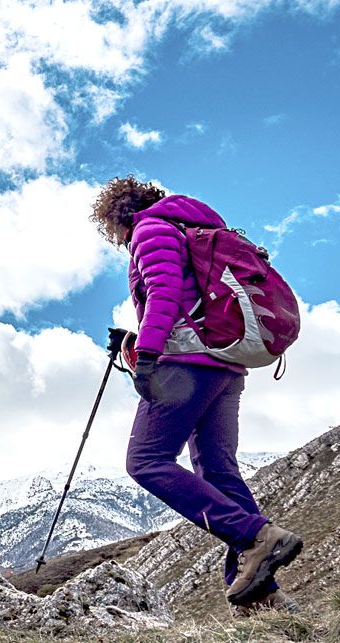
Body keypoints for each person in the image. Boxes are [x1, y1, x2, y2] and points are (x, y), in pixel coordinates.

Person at [90, 176, 302, 612]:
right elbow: (187, 301)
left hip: (188, 365)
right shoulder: (191, 227)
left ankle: (258, 538)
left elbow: (165, 293)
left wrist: (146, 354)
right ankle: (258, 599)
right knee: (218, 471)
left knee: (146, 461)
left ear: (117, 219)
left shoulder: (149, 230)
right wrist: (139, 338)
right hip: (225, 366)